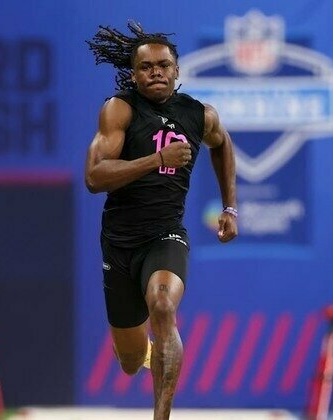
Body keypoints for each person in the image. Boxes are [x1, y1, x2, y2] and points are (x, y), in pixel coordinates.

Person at [85, 23, 238, 419]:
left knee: (164, 305)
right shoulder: (119, 110)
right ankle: (146, 350)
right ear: (134, 75)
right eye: (147, 67)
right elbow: (94, 177)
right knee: (131, 361)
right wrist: (157, 160)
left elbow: (223, 146)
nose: (156, 72)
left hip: (165, 236)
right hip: (119, 245)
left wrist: (231, 207)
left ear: (177, 70)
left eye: (164, 65)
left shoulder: (199, 114)